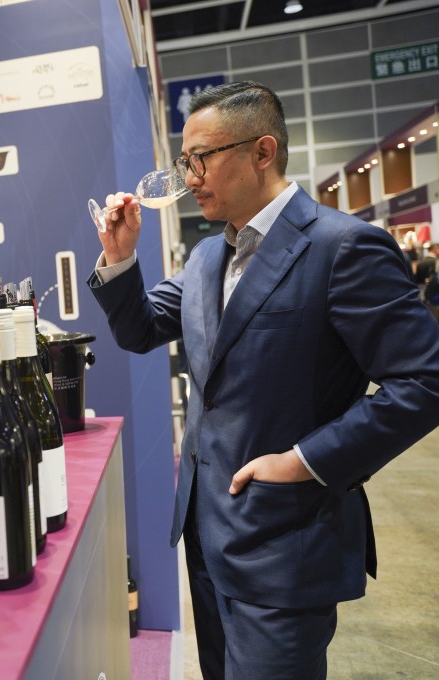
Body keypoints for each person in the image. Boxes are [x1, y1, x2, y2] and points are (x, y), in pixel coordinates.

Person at [86, 81, 439, 679]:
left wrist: (306, 459)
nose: (189, 176)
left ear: (262, 151)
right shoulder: (204, 258)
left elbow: (424, 381)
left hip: (285, 543)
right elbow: (141, 330)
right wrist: (120, 259)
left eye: (201, 158)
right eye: (183, 161)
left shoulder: (343, 247)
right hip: (205, 538)